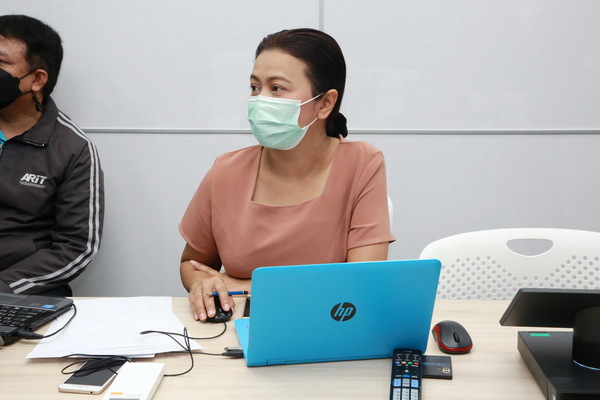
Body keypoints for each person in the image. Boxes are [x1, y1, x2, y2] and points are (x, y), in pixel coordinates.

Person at [179, 28, 394, 321]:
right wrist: (202, 284)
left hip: (328, 326)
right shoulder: (226, 170)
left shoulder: (362, 163)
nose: (260, 99)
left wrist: (243, 286)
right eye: (255, 87)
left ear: (325, 103)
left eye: (277, 88)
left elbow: (361, 282)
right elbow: (192, 264)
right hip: (242, 329)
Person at [0, 15, 104, 297]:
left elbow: (77, 247)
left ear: (37, 79)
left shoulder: (73, 148)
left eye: (1, 62)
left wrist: (6, 287)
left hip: (24, 293)